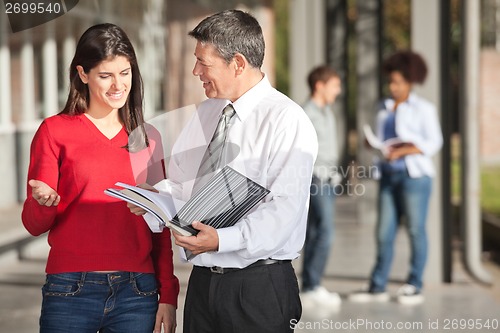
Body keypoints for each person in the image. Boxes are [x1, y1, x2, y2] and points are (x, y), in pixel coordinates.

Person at [130, 9, 318, 333]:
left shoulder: (287, 120)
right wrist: (154, 199)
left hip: (257, 288)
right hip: (203, 286)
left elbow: (283, 211)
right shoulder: (206, 112)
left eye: (204, 62)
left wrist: (221, 240)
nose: (195, 71)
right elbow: (180, 183)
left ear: (239, 63)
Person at [21, 23, 179, 332]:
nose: (118, 85)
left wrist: (168, 296)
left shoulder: (150, 139)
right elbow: (33, 224)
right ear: (82, 74)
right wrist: (44, 203)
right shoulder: (55, 131)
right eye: (105, 75)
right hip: (69, 289)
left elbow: (161, 229)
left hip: (138, 293)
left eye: (125, 73)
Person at [349, 50, 442, 305]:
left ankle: (415, 285)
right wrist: (373, 146)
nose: (393, 86)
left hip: (415, 178)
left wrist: (404, 150)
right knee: (383, 233)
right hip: (388, 176)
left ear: (410, 82)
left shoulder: (424, 109)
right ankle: (377, 286)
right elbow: (381, 138)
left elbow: (435, 142)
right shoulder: (383, 107)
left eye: (398, 82)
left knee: (415, 229)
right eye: (390, 81)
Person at [300, 65, 342, 308]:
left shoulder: (327, 112)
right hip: (317, 177)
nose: (338, 91)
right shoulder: (308, 114)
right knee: (326, 232)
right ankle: (313, 285)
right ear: (320, 85)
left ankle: (310, 285)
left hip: (330, 178)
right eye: (335, 85)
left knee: (316, 231)